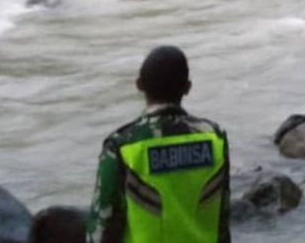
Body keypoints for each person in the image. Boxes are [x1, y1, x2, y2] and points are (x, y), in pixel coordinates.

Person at [86, 46, 230, 243]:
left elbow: (103, 224)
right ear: (187, 87)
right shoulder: (215, 138)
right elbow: (223, 219)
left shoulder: (123, 145)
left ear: (139, 85)